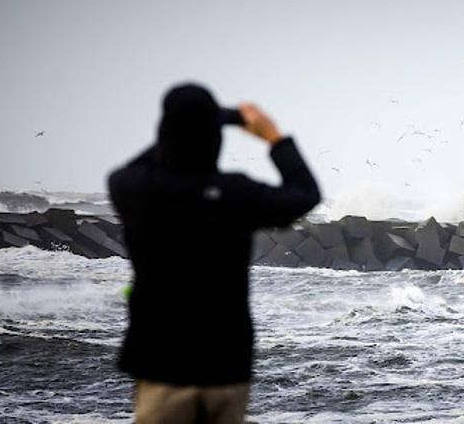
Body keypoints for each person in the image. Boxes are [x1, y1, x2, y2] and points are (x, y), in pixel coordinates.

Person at [108, 83, 321, 423]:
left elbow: (127, 171)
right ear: (214, 138)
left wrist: (206, 120)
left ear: (165, 131)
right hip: (227, 368)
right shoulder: (236, 193)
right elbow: (304, 193)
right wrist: (272, 136)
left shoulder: (139, 191)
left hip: (163, 365)